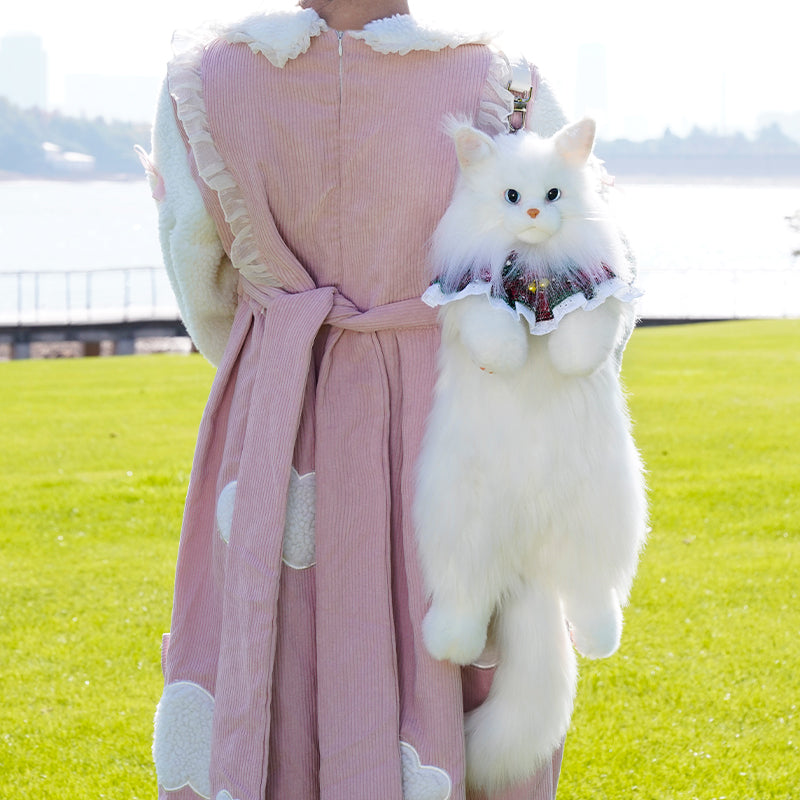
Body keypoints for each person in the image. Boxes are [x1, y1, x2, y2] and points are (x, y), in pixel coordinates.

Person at [141, 1, 595, 798]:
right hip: (460, 423)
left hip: (277, 421)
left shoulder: (206, 82)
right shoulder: (503, 83)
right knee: (459, 661)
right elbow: (570, 283)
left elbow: (200, 278)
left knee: (275, 648)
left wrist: (279, 359)